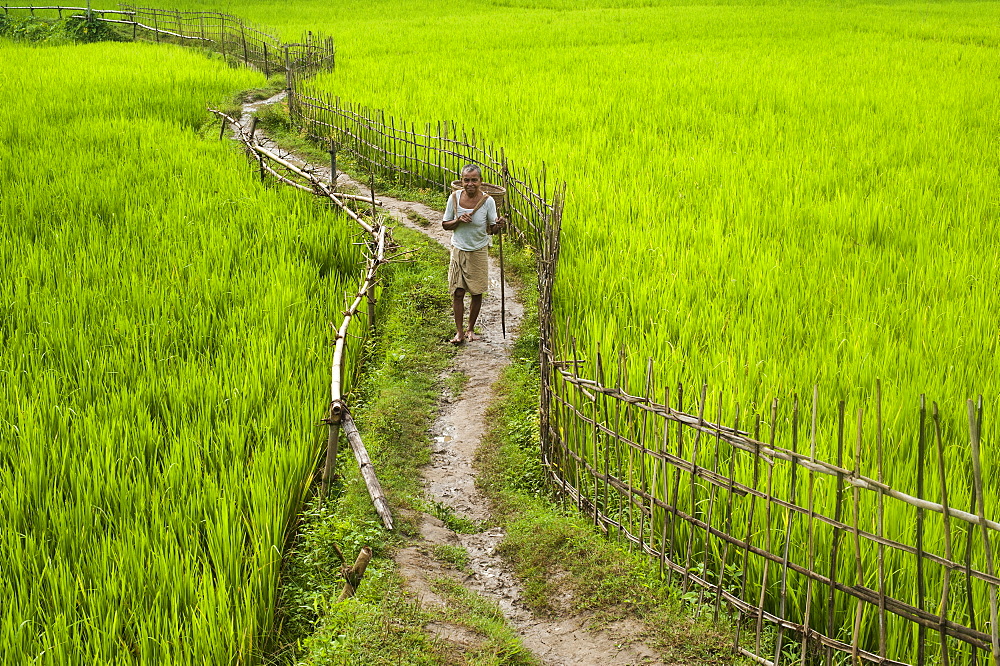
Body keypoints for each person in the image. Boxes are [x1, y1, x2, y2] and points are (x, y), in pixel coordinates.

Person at [442, 164, 505, 344]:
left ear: (480, 182)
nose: (470, 184)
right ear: (462, 181)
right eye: (467, 180)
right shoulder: (454, 198)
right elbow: (445, 224)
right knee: (458, 292)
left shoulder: (488, 201)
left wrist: (499, 225)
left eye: (474, 180)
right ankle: (459, 332)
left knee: (476, 292)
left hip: (478, 250)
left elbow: (492, 229)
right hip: (458, 250)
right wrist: (458, 220)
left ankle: (471, 329)